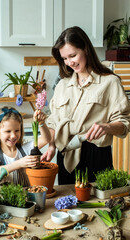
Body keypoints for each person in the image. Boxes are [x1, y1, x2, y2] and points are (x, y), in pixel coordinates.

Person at [41, 26, 130, 184]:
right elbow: (53, 123)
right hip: (65, 154)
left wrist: (106, 127)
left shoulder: (110, 82)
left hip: (96, 154)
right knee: (67, 205)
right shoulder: (62, 85)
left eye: (73, 55)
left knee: (98, 205)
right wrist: (52, 146)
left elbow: (125, 123)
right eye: (65, 58)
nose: (69, 63)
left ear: (86, 49)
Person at [0, 106, 51, 188]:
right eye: (8, 131)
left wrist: (41, 123)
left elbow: (46, 139)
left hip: (27, 198)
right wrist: (19, 163)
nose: (13, 135)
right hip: (5, 199)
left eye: (17, 130)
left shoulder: (25, 149)